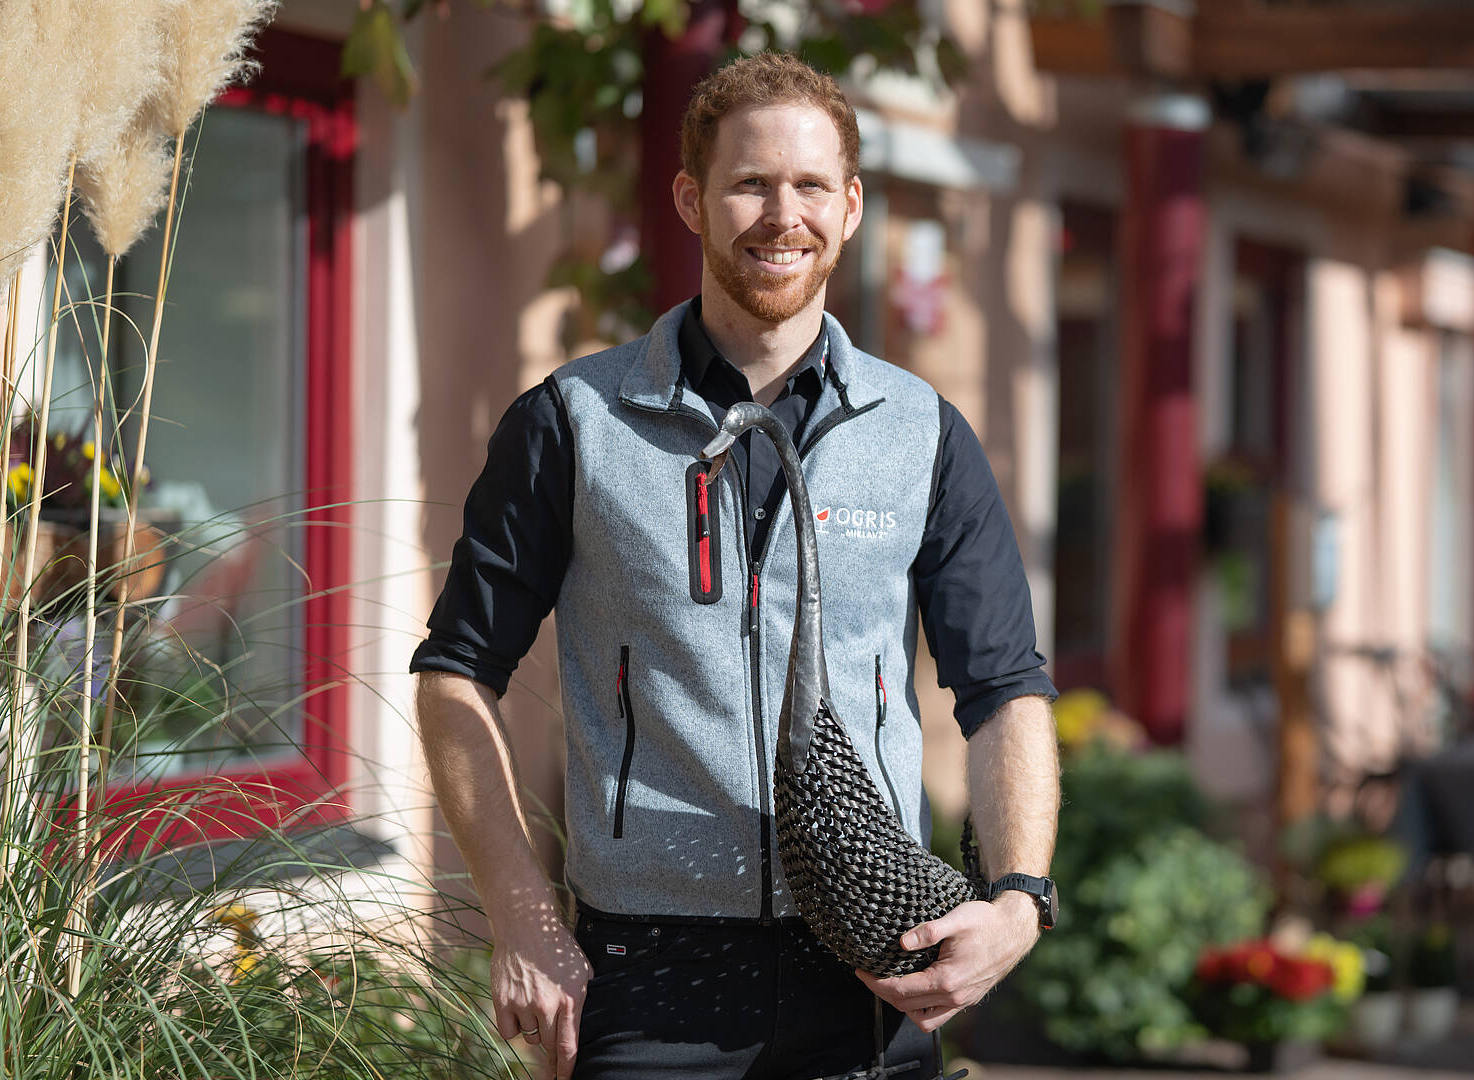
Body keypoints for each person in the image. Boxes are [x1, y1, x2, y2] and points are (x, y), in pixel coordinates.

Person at [409, 52, 1060, 1080]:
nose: (782, 215)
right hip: (647, 980)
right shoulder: (574, 422)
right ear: (692, 200)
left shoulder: (921, 432)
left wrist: (1019, 901)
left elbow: (1005, 689)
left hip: (873, 965)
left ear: (850, 207)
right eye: (750, 183)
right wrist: (523, 914)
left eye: (810, 186)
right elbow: (455, 675)